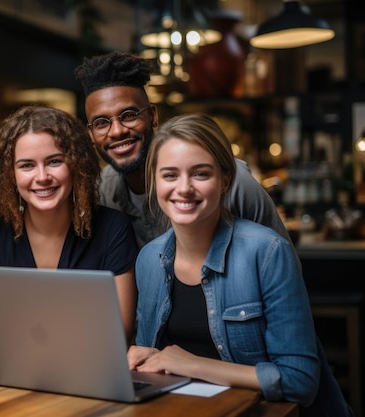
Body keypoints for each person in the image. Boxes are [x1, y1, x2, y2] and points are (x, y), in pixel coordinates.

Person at [127, 113, 353, 417]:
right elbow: (156, 365)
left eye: (200, 174)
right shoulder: (149, 260)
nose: (184, 188)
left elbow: (300, 380)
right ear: (154, 181)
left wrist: (190, 363)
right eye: (169, 175)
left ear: (226, 181)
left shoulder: (267, 252)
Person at [74, 51, 290, 248]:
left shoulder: (233, 180)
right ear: (91, 133)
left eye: (129, 115)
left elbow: (281, 262)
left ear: (152, 116)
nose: (117, 131)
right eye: (102, 122)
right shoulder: (104, 193)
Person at [0, 104, 138, 343]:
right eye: (27, 165)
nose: (42, 177)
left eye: (54, 161)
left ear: (77, 165)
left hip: (91, 372)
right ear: (10, 174)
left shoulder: (113, 229)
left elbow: (118, 333)